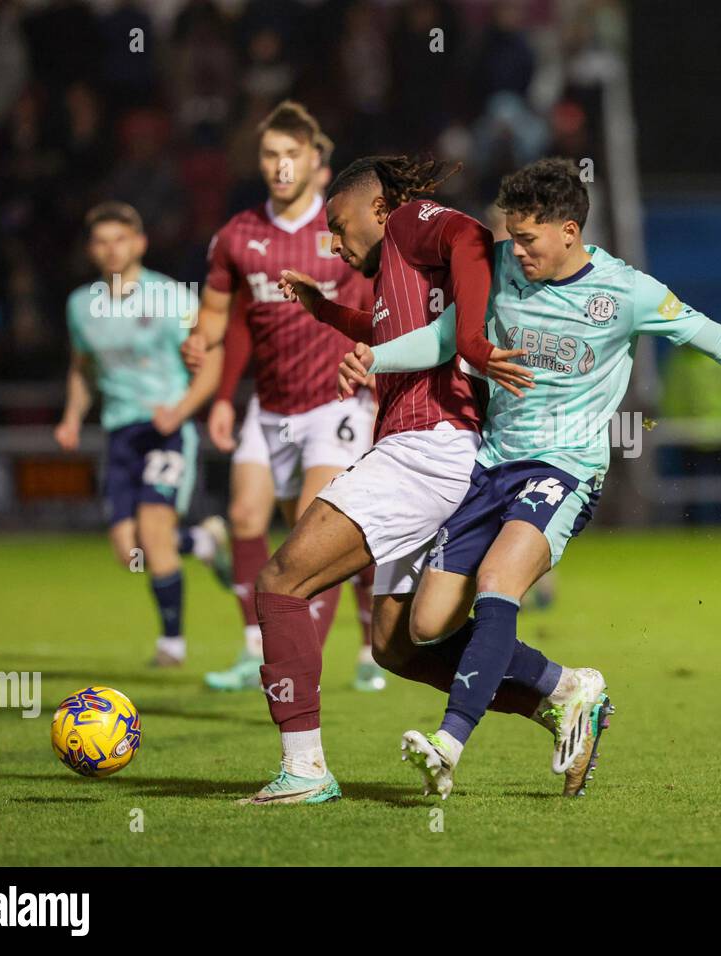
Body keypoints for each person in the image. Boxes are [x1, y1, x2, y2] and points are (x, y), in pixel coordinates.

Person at [337, 158, 721, 799]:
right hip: (491, 466)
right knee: (428, 626)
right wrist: (375, 355)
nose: (516, 249)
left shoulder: (627, 293)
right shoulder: (500, 269)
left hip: (563, 469)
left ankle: (449, 742)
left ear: (570, 230)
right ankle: (570, 688)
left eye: (528, 238)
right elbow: (442, 339)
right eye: (510, 235)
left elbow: (720, 339)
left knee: (497, 584)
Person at [238, 155, 592, 805]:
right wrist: (324, 310)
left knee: (281, 583)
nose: (335, 243)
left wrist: (471, 341)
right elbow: (383, 330)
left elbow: (469, 237)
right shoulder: (399, 280)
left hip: (426, 448)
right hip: (444, 454)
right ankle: (561, 690)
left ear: (378, 209)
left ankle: (305, 769)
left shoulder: (408, 222)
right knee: (399, 645)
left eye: (340, 226)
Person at [181, 101, 384, 693]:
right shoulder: (237, 236)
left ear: (315, 162)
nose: (280, 165)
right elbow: (223, 320)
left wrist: (383, 360)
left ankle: (323, 660)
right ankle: (254, 649)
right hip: (268, 405)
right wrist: (207, 364)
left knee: (313, 531)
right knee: (244, 516)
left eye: (291, 154)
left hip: (336, 400)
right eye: (270, 155)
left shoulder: (341, 224)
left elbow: (385, 294)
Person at [54, 201, 227, 667]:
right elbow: (81, 369)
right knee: (129, 551)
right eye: (102, 241)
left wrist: (183, 409)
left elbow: (212, 360)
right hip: (119, 435)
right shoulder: (80, 306)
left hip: (165, 430)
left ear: (140, 243)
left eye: (121, 239)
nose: (112, 250)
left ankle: (172, 643)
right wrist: (72, 417)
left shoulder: (171, 297)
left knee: (153, 530)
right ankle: (201, 542)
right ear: (92, 249)